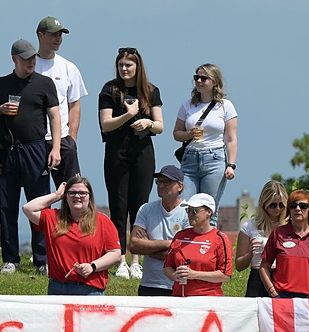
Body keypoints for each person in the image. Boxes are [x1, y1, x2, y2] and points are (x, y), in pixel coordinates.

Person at [0, 39, 60, 275]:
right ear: (14, 59)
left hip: (36, 148)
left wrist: (56, 148)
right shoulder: (1, 84)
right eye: (26, 58)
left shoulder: (45, 83)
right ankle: (11, 258)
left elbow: (55, 116)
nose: (31, 61)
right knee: (7, 205)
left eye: (33, 58)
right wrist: (0, 110)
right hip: (7, 150)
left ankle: (42, 259)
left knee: (39, 205)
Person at [98, 47, 163, 281]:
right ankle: (120, 260)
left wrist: (147, 122)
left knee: (140, 207)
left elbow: (160, 125)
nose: (124, 69)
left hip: (143, 153)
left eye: (128, 65)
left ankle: (136, 261)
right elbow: (105, 124)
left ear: (138, 66)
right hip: (116, 153)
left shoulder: (151, 90)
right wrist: (128, 115)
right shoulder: (109, 89)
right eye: (121, 65)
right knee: (118, 207)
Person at [23, 176, 120, 296]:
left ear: (90, 197)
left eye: (82, 193)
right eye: (72, 193)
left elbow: (115, 254)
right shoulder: (53, 218)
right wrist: (56, 195)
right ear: (66, 196)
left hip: (90, 289)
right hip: (57, 288)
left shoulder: (102, 221)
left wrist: (93, 266)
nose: (77, 196)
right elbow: (28, 208)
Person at [172, 63, 237, 220]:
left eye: (204, 78)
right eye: (197, 78)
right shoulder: (187, 105)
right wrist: (189, 134)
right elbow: (176, 134)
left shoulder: (225, 106)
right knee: (186, 209)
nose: (199, 81)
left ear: (214, 81)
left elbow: (231, 138)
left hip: (214, 158)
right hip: (190, 159)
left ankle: (211, 237)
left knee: (209, 210)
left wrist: (231, 165)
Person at [35, 16, 86, 185]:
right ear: (41, 35)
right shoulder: (30, 65)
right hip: (36, 140)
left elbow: (74, 105)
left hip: (63, 138)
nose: (58, 39)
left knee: (72, 190)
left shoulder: (69, 67)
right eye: (53, 35)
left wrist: (72, 139)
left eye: (60, 35)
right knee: (38, 192)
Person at [259, 191, 309, 299]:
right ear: (288, 210)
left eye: (303, 206)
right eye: (293, 206)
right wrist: (273, 293)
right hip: (282, 297)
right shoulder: (278, 233)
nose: (298, 209)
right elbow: (264, 267)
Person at [129, 165, 189, 296]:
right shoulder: (146, 209)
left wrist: (148, 248)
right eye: (159, 182)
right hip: (148, 285)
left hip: (177, 285)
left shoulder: (188, 212)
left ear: (180, 186)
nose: (161, 185)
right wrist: (170, 243)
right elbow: (133, 245)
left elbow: (184, 255)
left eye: (167, 182)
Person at [163, 193, 232, 297]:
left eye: (194, 211)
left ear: (208, 212)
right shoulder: (180, 236)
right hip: (179, 297)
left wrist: (194, 274)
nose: (190, 214)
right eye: (188, 210)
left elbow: (225, 275)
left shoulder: (219, 238)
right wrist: (176, 276)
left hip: (208, 298)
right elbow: (167, 267)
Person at [235, 180, 288, 297]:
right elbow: (239, 266)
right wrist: (250, 253)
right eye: (273, 205)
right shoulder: (249, 227)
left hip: (284, 278)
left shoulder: (290, 226)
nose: (277, 209)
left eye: (281, 205)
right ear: (264, 204)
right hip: (257, 278)